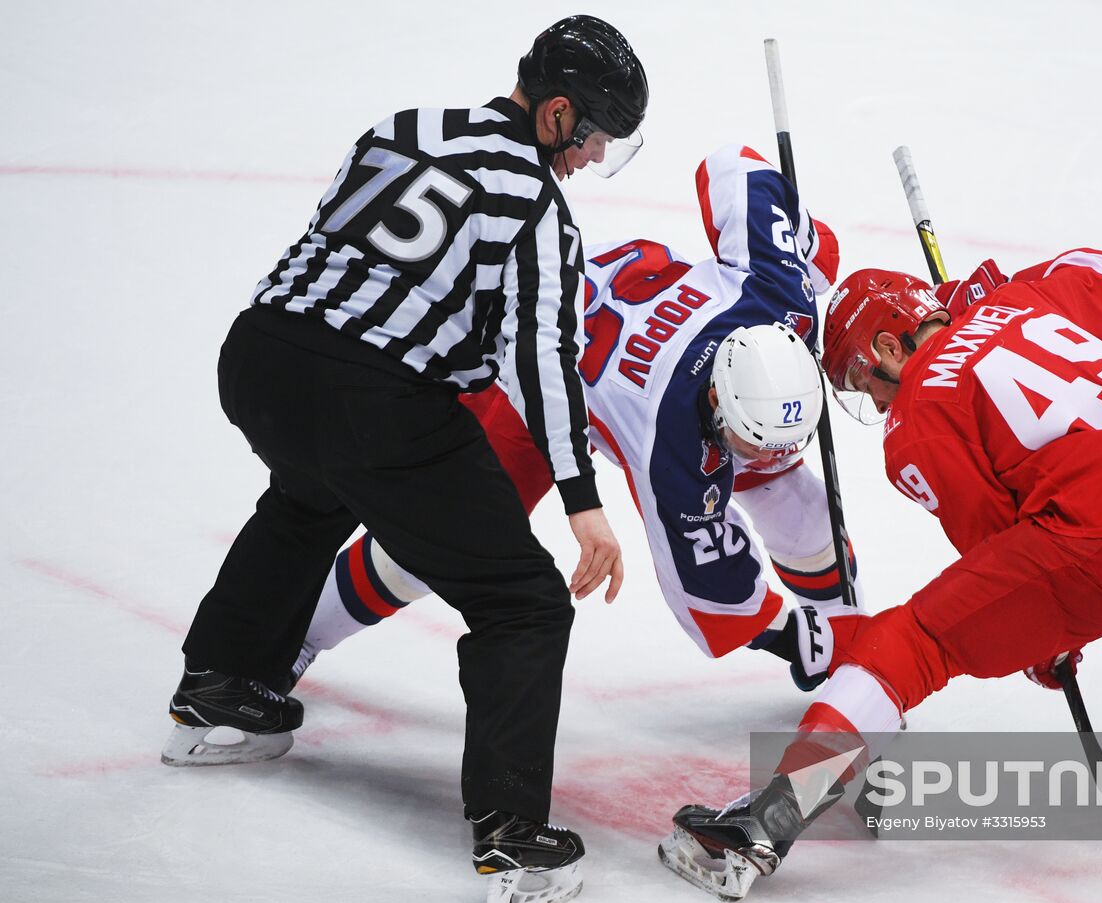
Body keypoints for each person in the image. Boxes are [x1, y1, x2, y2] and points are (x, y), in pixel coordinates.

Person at [161, 15, 646, 903]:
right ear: (554, 115)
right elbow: (540, 358)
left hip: (259, 355)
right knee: (523, 603)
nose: (588, 159)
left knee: (307, 493)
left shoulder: (403, 127)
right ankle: (513, 840)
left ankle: (219, 691)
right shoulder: (536, 205)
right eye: (590, 139)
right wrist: (582, 501)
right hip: (373, 401)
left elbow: (337, 251)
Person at [659, 249, 1102, 901]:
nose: (881, 404)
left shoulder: (915, 425)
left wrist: (1046, 642)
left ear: (891, 346)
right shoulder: (1022, 302)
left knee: (911, 642)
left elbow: (998, 550)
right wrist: (994, 292)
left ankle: (769, 819)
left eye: (867, 383)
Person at [285, 143, 861, 703]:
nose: (758, 458)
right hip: (541, 373)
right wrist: (797, 639)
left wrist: (801, 252)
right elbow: (710, 594)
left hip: (617, 299)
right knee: (432, 542)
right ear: (715, 399)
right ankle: (292, 640)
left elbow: (735, 167)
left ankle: (849, 638)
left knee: (798, 502)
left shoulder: (782, 296)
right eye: (744, 442)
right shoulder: (674, 454)